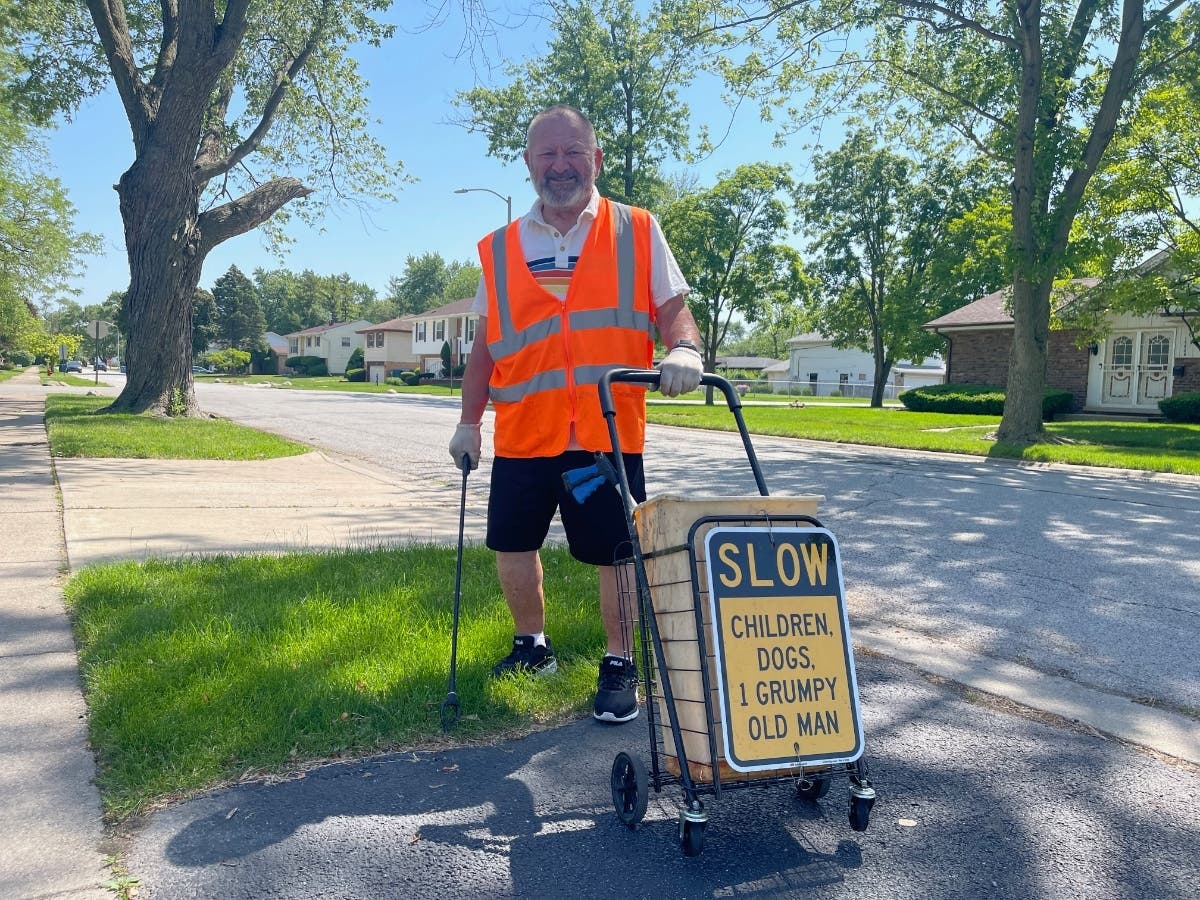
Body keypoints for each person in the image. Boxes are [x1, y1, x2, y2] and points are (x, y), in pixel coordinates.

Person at [449, 104, 704, 724]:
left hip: (605, 429)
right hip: (524, 429)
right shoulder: (499, 247)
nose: (560, 166)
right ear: (529, 163)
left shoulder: (637, 229)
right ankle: (531, 647)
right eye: (547, 155)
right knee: (513, 542)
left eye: (572, 153)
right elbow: (485, 346)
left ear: (596, 158)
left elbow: (670, 305)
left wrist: (686, 348)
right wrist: (468, 420)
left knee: (616, 551)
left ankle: (620, 661)